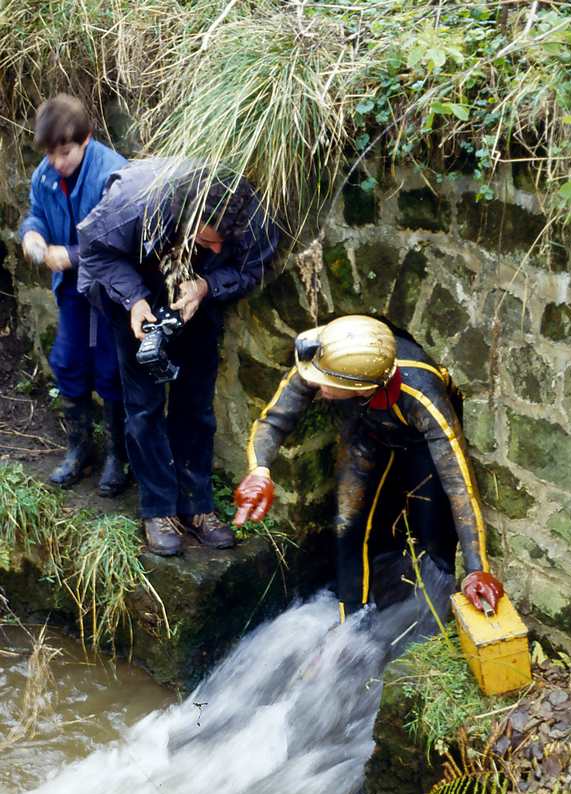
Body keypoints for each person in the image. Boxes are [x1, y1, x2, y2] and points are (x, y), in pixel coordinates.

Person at [234, 315, 504, 619]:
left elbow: (460, 484)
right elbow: (274, 420)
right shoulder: (324, 357)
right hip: (363, 433)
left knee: (431, 528)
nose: (315, 386)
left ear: (361, 387)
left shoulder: (421, 394)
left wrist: (476, 569)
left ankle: (426, 616)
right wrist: (259, 471)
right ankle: (352, 618)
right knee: (348, 523)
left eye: (327, 384)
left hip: (420, 443)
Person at [77, 159, 280, 556]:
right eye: (209, 241)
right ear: (187, 218)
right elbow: (95, 252)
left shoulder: (254, 216)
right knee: (145, 408)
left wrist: (207, 284)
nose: (219, 246)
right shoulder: (133, 202)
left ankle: (196, 504)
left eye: (225, 241)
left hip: (198, 296)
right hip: (133, 289)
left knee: (196, 405)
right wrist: (134, 300)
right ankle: (158, 509)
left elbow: (253, 266)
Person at [18, 95, 128, 495]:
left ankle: (119, 457)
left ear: (86, 140)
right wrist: (31, 233)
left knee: (110, 371)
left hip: (109, 294)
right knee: (67, 362)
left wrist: (72, 255)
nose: (56, 162)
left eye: (64, 153)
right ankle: (79, 450)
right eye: (50, 153)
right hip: (72, 294)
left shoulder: (113, 174)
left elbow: (123, 240)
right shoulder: (45, 175)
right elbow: (36, 213)